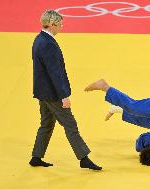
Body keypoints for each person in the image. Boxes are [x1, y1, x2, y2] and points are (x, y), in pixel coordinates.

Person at [30, 10, 102, 170]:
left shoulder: (39, 39)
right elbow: (55, 73)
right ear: (52, 24)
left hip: (43, 92)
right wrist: (63, 96)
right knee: (70, 125)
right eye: (60, 24)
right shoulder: (48, 44)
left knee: (46, 124)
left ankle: (36, 156)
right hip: (53, 94)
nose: (62, 26)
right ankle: (84, 158)